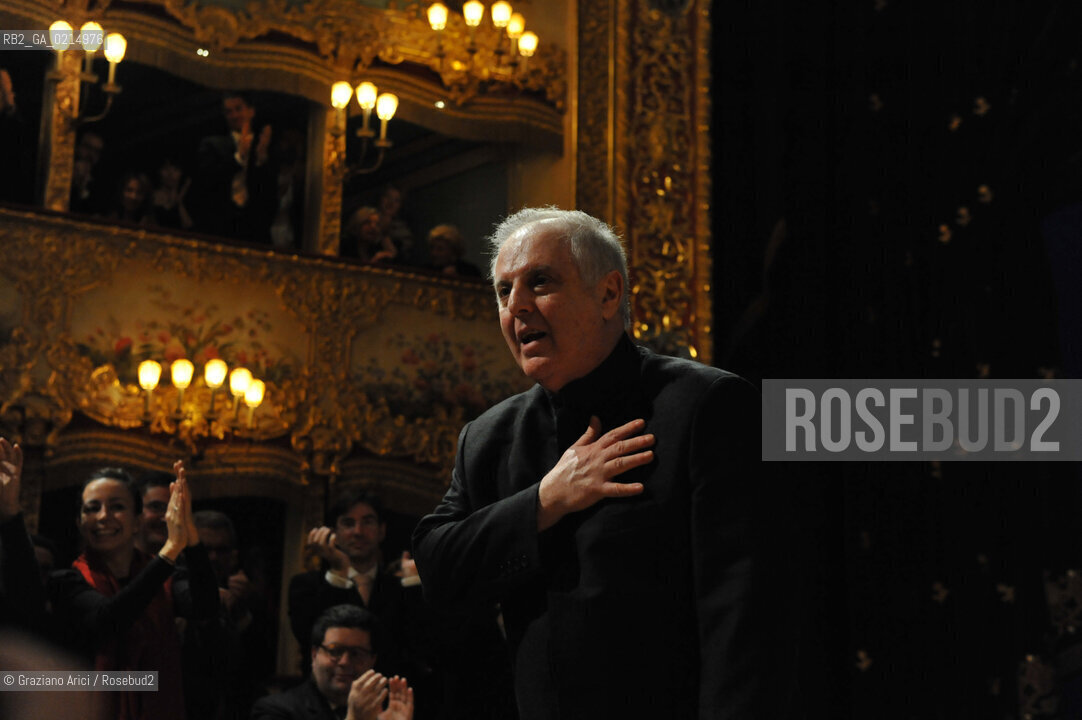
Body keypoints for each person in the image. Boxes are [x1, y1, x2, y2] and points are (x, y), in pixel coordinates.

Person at [412, 208, 789, 719]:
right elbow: (438, 566)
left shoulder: (705, 405)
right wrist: (544, 501)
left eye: (540, 282)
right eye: (504, 292)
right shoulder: (488, 437)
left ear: (609, 294)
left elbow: (740, 618)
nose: (516, 306)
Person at [47, 462, 219, 720]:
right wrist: (171, 550)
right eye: (92, 508)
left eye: (117, 506)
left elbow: (205, 607)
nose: (103, 516)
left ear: (138, 521)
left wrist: (190, 536)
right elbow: (109, 619)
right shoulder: (65, 581)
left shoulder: (167, 578)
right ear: (80, 522)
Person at [251, 604, 414, 720]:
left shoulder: (386, 711)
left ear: (372, 660)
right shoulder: (275, 709)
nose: (345, 662)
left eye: (356, 653)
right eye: (335, 651)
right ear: (314, 655)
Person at [192, 91, 276, 242]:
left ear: (251, 111)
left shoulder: (265, 145)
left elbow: (271, 193)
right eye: (229, 112)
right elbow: (206, 181)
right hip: (220, 227)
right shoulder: (212, 144)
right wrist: (239, 157)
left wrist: (261, 158)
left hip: (255, 229)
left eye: (238, 109)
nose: (234, 115)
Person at [135, 471, 173, 556]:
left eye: (174, 510)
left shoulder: (186, 566)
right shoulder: (114, 565)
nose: (167, 517)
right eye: (156, 507)